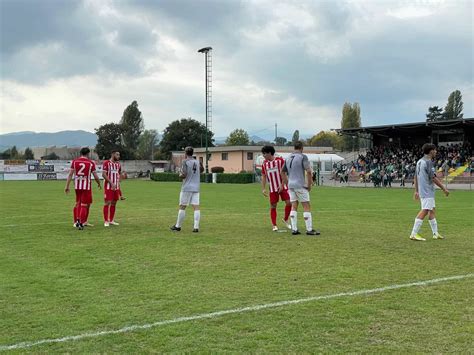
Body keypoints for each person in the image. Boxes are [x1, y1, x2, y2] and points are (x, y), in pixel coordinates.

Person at [410, 143, 449, 241]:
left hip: (424, 190)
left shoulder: (419, 161)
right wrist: (444, 188)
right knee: (425, 210)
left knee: (432, 210)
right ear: (431, 151)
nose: (436, 151)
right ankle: (413, 234)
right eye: (435, 150)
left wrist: (416, 191)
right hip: (427, 191)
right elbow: (433, 178)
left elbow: (415, 176)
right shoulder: (428, 162)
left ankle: (435, 233)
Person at [281, 141, 319, 236]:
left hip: (291, 185)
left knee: (294, 205)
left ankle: (294, 229)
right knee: (306, 206)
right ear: (302, 148)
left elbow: (282, 172)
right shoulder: (303, 156)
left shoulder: (288, 157)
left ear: (294, 147)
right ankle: (309, 230)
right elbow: (309, 171)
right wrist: (309, 184)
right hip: (300, 185)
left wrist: (287, 182)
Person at [65, 147, 101, 230]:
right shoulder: (91, 163)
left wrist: (67, 186)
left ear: (81, 153)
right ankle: (81, 222)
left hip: (77, 186)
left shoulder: (74, 161)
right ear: (88, 154)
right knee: (84, 204)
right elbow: (95, 175)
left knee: (77, 203)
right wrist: (99, 183)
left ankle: (76, 221)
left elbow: (70, 174)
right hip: (86, 187)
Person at [170, 146, 204, 232]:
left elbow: (184, 174)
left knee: (182, 206)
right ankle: (196, 227)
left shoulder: (184, 162)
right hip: (196, 187)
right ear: (192, 153)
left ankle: (178, 226)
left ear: (185, 153)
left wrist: (180, 175)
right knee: (196, 207)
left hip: (187, 187)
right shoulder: (197, 161)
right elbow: (202, 170)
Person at [261, 145, 292, 232]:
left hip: (283, 186)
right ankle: (274, 225)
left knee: (289, 203)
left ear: (269, 153)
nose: (263, 155)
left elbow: (284, 173)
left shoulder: (280, 160)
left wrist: (282, 185)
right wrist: (263, 188)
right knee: (273, 206)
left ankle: (285, 219)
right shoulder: (264, 164)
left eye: (264, 153)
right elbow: (263, 176)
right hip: (273, 188)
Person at [102, 150, 125, 227]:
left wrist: (121, 178)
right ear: (112, 154)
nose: (119, 156)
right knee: (107, 202)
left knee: (114, 203)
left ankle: (111, 220)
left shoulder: (118, 164)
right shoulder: (106, 163)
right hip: (108, 187)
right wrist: (111, 183)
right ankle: (106, 221)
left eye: (119, 155)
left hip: (116, 187)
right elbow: (103, 174)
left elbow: (119, 173)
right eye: (117, 155)